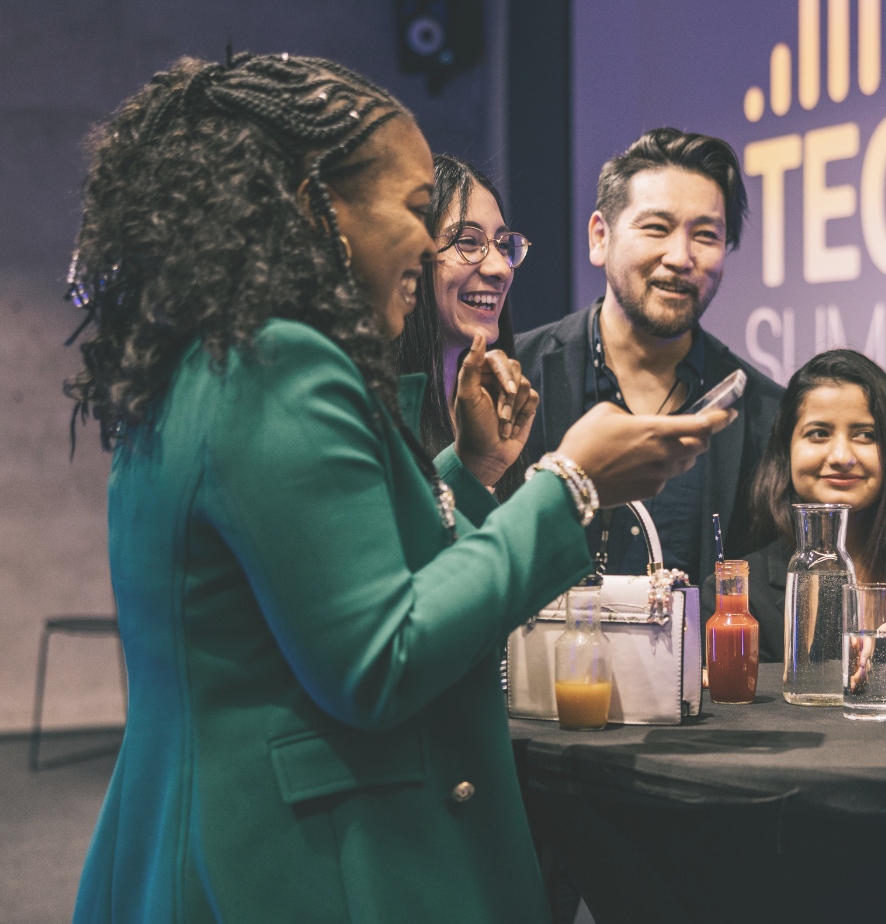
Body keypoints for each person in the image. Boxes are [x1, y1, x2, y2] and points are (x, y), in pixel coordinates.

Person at [64, 53, 727, 924]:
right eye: (418, 211)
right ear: (311, 205)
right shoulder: (283, 365)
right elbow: (380, 657)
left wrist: (472, 471)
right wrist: (570, 482)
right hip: (302, 867)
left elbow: (328, 581)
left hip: (218, 841)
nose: (430, 243)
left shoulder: (215, 356)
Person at [513, 128, 783, 590]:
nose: (681, 257)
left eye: (706, 236)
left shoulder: (764, 414)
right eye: (656, 228)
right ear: (601, 237)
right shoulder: (517, 372)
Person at [735, 349, 886, 662]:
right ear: (786, 450)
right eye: (818, 434)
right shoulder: (740, 595)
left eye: (865, 435)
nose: (841, 456)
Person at [396, 154, 533, 498]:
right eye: (468, 241)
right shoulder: (367, 411)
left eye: (504, 245)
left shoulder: (501, 408)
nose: (500, 268)